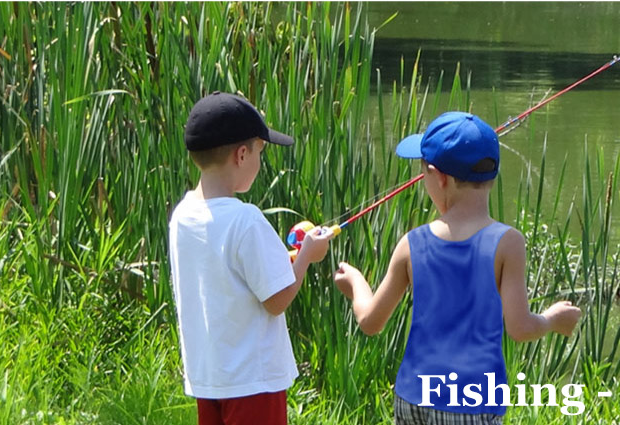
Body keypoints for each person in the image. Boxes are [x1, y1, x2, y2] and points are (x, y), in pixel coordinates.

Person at [332, 111, 583, 424]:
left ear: (439, 177)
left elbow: (370, 322)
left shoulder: (412, 243)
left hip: (413, 400)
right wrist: (552, 320)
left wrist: (356, 283)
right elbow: (520, 329)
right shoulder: (508, 243)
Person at [169, 92, 333, 425]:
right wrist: (306, 257)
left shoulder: (182, 215)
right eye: (261, 152)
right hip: (253, 383)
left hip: (209, 379)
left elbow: (229, 276)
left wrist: (283, 262)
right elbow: (277, 301)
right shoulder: (247, 219)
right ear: (242, 154)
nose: (260, 162)